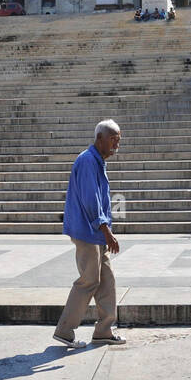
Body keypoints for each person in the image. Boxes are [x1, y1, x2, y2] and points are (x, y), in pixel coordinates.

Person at [54, 120, 125, 348]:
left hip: (96, 232)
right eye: (113, 140)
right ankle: (65, 331)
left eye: (118, 141)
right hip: (88, 232)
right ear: (100, 138)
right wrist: (105, 230)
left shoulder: (97, 162)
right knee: (89, 280)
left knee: (106, 281)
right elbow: (90, 200)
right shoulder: (87, 161)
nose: (116, 145)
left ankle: (103, 331)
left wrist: (105, 231)